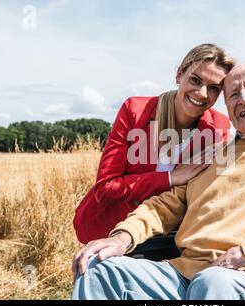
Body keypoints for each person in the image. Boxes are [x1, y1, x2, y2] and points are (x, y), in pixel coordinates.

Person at [71, 62, 245, 300]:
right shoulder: (213, 155)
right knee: (97, 268)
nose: (244, 99)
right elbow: (164, 206)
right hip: (182, 274)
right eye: (234, 94)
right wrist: (123, 237)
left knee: (213, 282)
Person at [73, 44, 235, 244]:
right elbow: (106, 188)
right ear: (179, 75)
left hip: (169, 238)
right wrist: (170, 178)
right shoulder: (135, 111)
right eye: (195, 80)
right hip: (112, 230)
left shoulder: (218, 126)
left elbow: (224, 181)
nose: (202, 93)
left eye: (213, 88)